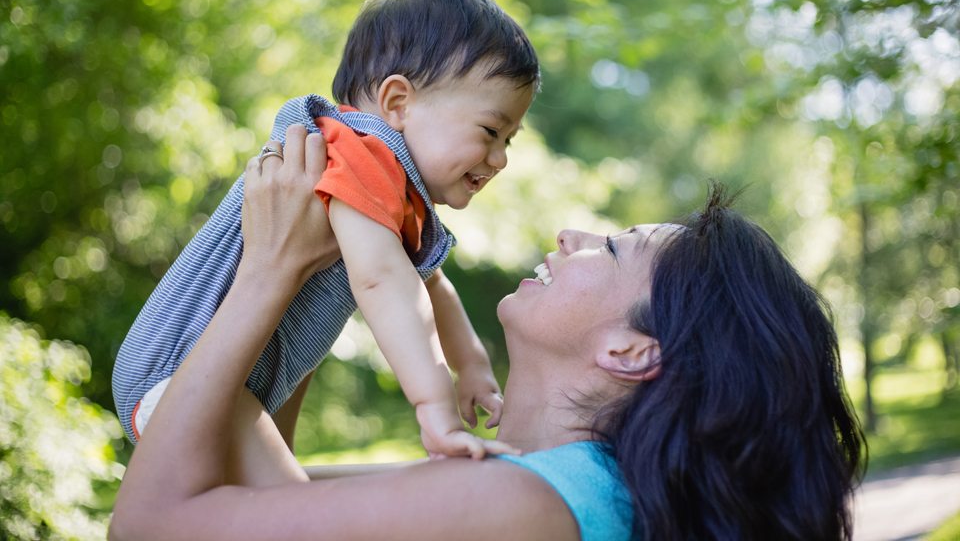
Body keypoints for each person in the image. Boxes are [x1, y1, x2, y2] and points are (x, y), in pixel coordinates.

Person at [109, 126, 865, 541]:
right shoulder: (556, 491)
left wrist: (269, 273)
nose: (571, 233)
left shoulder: (524, 507)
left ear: (633, 351)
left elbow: (150, 525)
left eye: (610, 248)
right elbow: (248, 490)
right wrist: (320, 285)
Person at [111, 0, 540, 476]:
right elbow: (384, 279)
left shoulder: (396, 186)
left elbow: (432, 284)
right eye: (491, 131)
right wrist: (435, 409)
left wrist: (473, 366)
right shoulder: (357, 151)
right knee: (290, 515)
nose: (500, 158)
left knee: (267, 511)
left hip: (232, 383)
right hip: (180, 372)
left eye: (508, 140)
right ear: (397, 103)